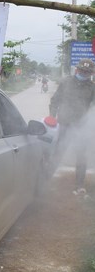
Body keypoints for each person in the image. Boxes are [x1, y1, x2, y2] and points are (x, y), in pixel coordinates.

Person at [48, 58, 95, 197]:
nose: (84, 73)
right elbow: (55, 99)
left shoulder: (92, 87)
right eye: (82, 71)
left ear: (90, 73)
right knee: (58, 152)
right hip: (65, 124)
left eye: (87, 72)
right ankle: (46, 181)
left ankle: (79, 186)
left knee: (81, 157)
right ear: (77, 70)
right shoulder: (66, 82)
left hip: (82, 127)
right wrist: (52, 115)